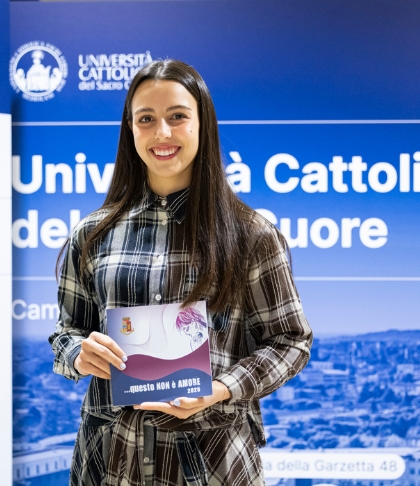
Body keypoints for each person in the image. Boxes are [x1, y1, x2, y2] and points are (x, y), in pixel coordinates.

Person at [49, 59, 312, 486]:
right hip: (110, 459)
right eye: (146, 119)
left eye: (177, 117)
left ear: (202, 124)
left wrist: (220, 388)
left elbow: (291, 342)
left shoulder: (251, 234)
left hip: (212, 461)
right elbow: (66, 333)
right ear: (130, 129)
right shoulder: (92, 234)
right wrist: (78, 354)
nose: (162, 133)